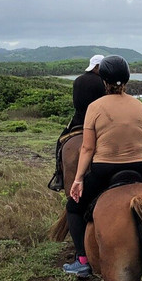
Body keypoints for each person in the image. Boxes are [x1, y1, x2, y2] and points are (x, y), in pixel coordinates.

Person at [64, 55, 142, 277]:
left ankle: (82, 260)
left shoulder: (95, 107)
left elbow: (87, 149)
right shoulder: (140, 105)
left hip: (105, 169)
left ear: (104, 80)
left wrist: (78, 179)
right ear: (126, 79)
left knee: (74, 208)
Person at [49, 54, 106, 192]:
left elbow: (77, 103)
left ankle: (59, 176)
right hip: (98, 119)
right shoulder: (103, 81)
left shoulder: (78, 80)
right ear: (98, 67)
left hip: (79, 119)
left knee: (60, 142)